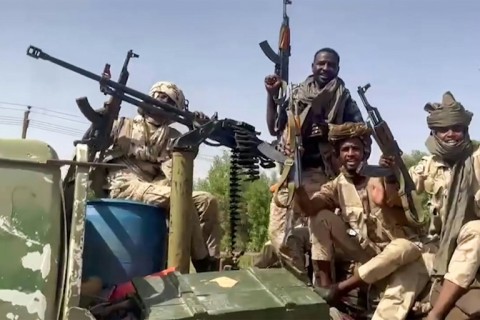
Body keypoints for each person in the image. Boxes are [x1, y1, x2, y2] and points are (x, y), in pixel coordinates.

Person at [295, 122, 433, 320]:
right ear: (338, 155)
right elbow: (308, 208)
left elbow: (393, 200)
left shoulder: (381, 175)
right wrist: (295, 180)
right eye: (345, 149)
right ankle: (325, 288)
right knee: (319, 217)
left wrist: (391, 175)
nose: (351, 154)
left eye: (356, 149)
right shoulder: (336, 186)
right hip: (367, 255)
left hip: (400, 252)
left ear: (365, 152)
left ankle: (341, 289)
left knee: (402, 246)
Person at [263, 47, 365, 282]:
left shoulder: (343, 97)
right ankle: (303, 287)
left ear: (337, 69)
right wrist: (271, 94)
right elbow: (273, 127)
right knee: (279, 237)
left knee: (320, 237)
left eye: (331, 65)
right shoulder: (296, 93)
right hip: (291, 174)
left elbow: (362, 129)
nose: (325, 68)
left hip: (324, 174)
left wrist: (332, 131)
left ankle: (324, 288)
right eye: (321, 64)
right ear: (312, 66)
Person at [101, 81, 221, 272]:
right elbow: (94, 141)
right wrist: (105, 116)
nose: (162, 102)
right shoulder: (123, 125)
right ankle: (203, 263)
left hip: (155, 185)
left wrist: (196, 132)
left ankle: (214, 261)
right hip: (125, 184)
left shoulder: (172, 136)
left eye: (169, 101)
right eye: (160, 96)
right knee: (179, 199)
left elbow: (177, 176)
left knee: (207, 201)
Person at [408, 92, 480, 320]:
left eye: (456, 128)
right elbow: (404, 190)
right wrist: (392, 172)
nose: (450, 134)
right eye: (444, 129)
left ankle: (435, 313)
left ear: (465, 131)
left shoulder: (477, 159)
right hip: (436, 245)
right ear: (434, 133)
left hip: (471, 244)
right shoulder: (427, 165)